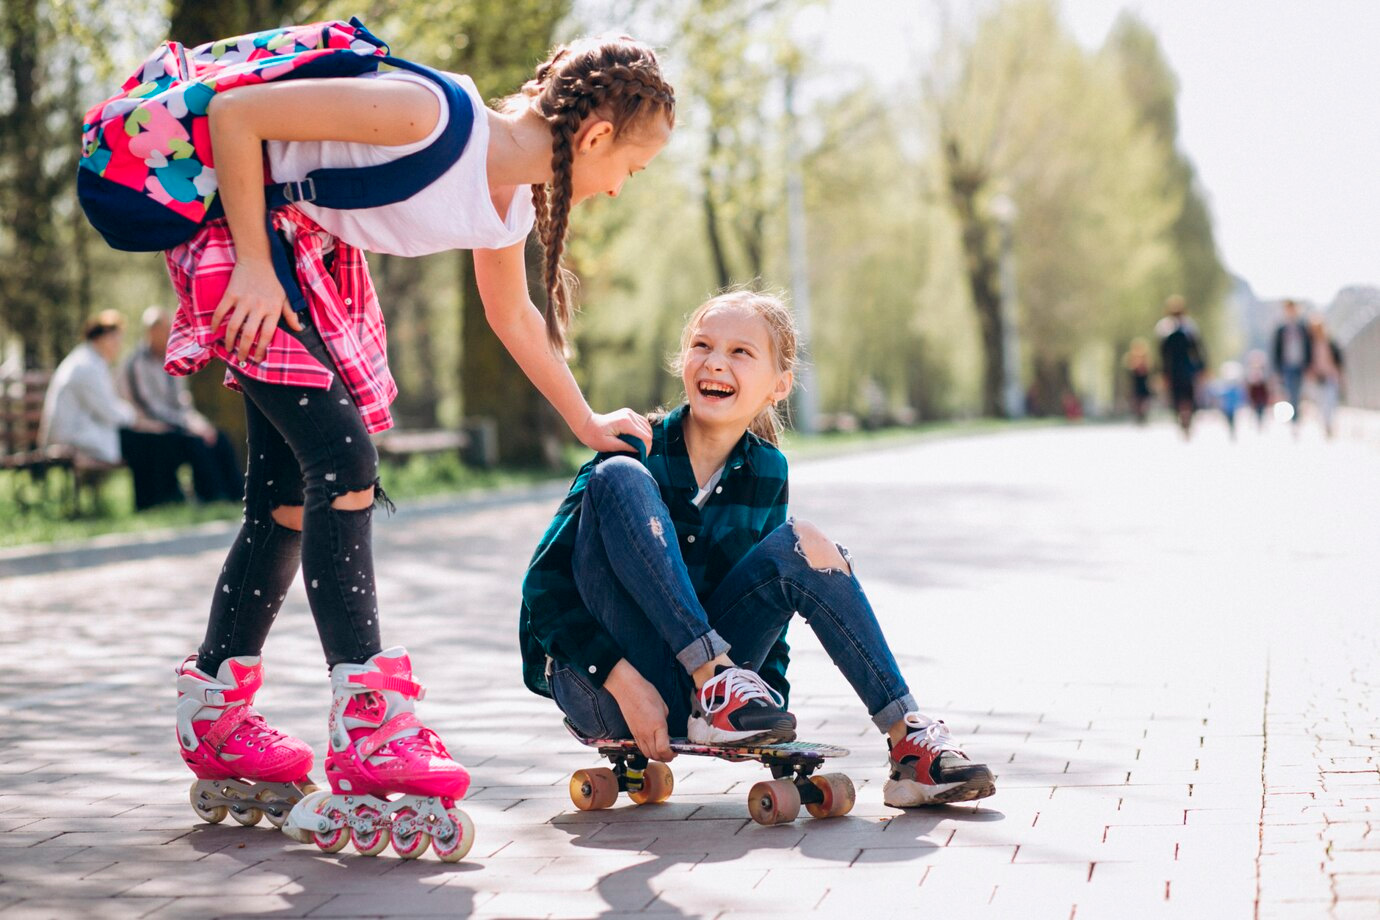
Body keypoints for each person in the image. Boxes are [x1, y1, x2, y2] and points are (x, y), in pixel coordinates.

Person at [159, 30, 677, 851]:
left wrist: (586, 421)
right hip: (242, 236)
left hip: (309, 261)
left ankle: (217, 717)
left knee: (288, 496)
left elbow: (513, 317)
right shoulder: (432, 116)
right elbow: (237, 113)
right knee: (343, 461)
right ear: (597, 137)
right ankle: (370, 728)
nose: (618, 191)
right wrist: (256, 264)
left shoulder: (509, 197)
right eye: (631, 170)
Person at [519, 291, 996, 808]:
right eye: (702, 345)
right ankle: (715, 681)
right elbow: (542, 591)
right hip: (609, 688)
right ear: (685, 364)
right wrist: (621, 680)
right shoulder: (634, 446)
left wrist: (770, 711)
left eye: (740, 352)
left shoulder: (767, 470)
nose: (716, 361)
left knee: (805, 542)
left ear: (778, 385)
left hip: (708, 705)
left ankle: (909, 743)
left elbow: (769, 606)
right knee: (619, 476)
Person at [119, 306, 242, 508]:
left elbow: (182, 402)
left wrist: (198, 423)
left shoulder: (173, 357)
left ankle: (236, 495)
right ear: (151, 332)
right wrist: (187, 425)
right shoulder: (136, 363)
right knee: (194, 442)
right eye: (164, 329)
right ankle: (212, 497)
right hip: (150, 427)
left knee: (218, 438)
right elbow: (150, 406)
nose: (169, 333)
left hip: (175, 421)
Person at [40, 311, 137, 468]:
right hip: (70, 439)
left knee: (143, 440)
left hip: (79, 432)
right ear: (99, 338)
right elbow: (108, 411)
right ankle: (154, 492)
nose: (118, 346)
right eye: (114, 339)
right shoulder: (87, 366)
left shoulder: (89, 360)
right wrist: (133, 416)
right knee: (143, 441)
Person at [1155, 295, 1206, 438]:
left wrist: (1162, 372)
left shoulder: (1165, 329)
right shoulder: (1188, 328)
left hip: (1174, 369)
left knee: (1180, 396)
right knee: (1186, 396)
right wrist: (1202, 368)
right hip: (1186, 368)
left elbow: (1162, 355)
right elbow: (1198, 350)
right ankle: (1186, 417)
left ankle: (1184, 417)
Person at [1272, 299, 1311, 430]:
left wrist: (1309, 364)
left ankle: (1296, 417)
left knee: (1299, 392)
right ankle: (1294, 419)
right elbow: (1276, 350)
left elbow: (1309, 347)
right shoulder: (1281, 329)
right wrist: (1277, 370)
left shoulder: (1302, 328)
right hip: (1287, 365)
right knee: (1290, 391)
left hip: (1300, 365)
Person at [1306, 314, 1344, 439]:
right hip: (1317, 378)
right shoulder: (1309, 346)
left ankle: (1329, 424)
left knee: (1331, 401)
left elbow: (1339, 360)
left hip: (1330, 376)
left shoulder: (1331, 342)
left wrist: (1340, 375)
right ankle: (1325, 424)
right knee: (1321, 403)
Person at [1124, 338, 1153, 425]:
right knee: (1137, 400)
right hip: (1136, 384)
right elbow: (1129, 374)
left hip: (1143, 384)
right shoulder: (1130, 360)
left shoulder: (1146, 360)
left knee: (1144, 401)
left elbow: (1148, 372)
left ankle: (1143, 416)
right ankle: (1138, 416)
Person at [1244, 349, 1271, 431]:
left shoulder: (1264, 375)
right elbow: (1250, 389)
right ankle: (1257, 424)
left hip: (1261, 397)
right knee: (1256, 412)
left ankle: (1261, 424)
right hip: (1255, 398)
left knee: (1261, 412)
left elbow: (1266, 388)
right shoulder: (1251, 375)